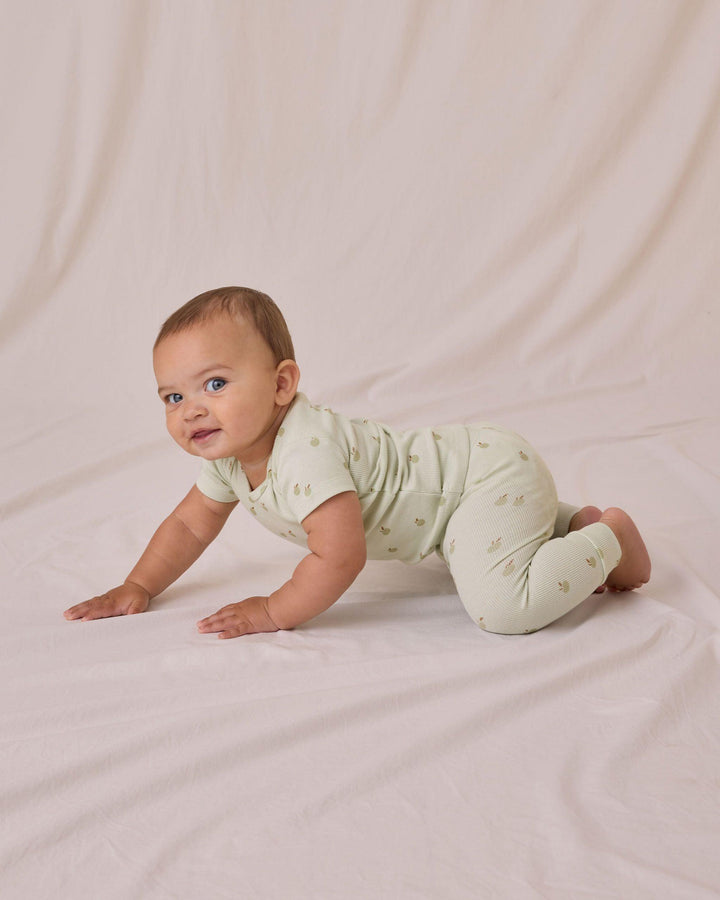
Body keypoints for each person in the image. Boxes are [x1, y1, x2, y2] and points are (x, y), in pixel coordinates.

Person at [63, 287, 651, 638]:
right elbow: (190, 526)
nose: (192, 410)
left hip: (483, 479)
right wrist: (138, 584)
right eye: (174, 397)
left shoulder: (304, 452)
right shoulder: (231, 459)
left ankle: (608, 540)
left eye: (215, 383)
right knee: (469, 550)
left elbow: (342, 555)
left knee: (502, 610)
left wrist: (273, 610)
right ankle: (561, 524)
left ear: (281, 384)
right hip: (461, 503)